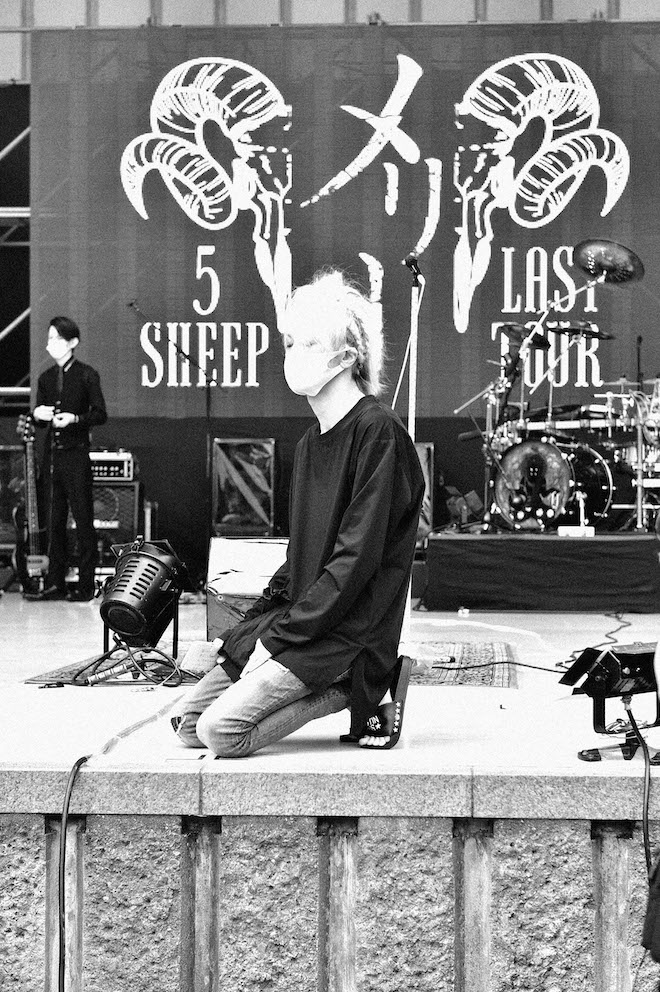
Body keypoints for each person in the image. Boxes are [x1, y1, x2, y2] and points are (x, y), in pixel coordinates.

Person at [172, 268, 424, 757]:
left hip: (348, 632)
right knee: (187, 725)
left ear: (347, 357)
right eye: (289, 343)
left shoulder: (379, 433)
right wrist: (251, 629)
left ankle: (354, 686)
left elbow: (353, 562)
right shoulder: (310, 443)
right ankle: (317, 673)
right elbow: (301, 557)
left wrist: (277, 642)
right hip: (306, 619)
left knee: (220, 732)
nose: (293, 355)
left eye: (308, 344)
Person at [28, 316, 107, 602]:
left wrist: (75, 419)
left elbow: (100, 414)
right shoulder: (46, 378)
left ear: (72, 342)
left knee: (83, 519)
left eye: (57, 339)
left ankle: (86, 585)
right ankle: (55, 582)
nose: (51, 344)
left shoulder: (86, 374)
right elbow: (39, 418)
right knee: (54, 520)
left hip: (76, 455)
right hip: (53, 456)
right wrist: (38, 415)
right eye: (49, 338)